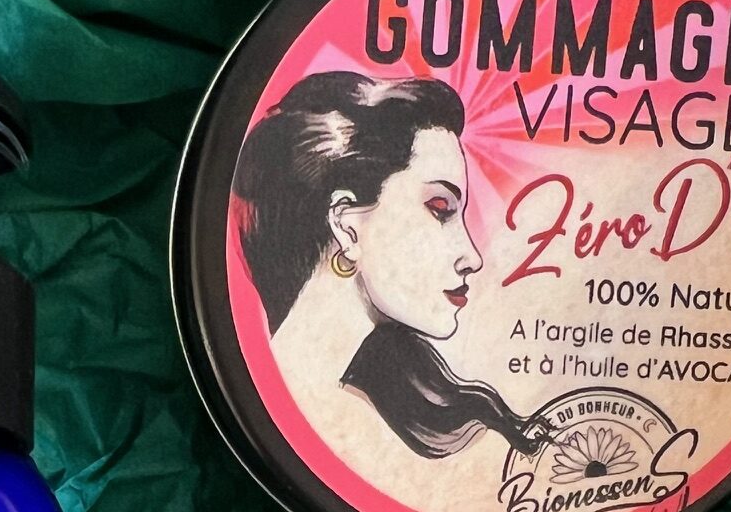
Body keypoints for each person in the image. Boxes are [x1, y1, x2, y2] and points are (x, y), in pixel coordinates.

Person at [233, 71, 548, 463]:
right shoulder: (320, 421)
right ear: (347, 227)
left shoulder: (368, 416)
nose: (472, 257)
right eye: (440, 209)